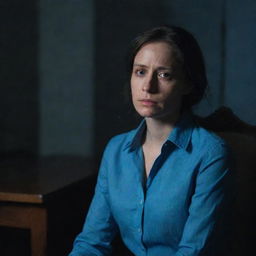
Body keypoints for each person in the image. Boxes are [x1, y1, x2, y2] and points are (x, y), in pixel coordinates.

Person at [69, 25, 232, 256]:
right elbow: (92, 242)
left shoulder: (210, 153)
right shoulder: (116, 150)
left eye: (164, 74)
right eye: (140, 72)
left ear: (188, 83)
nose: (148, 86)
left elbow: (193, 252)